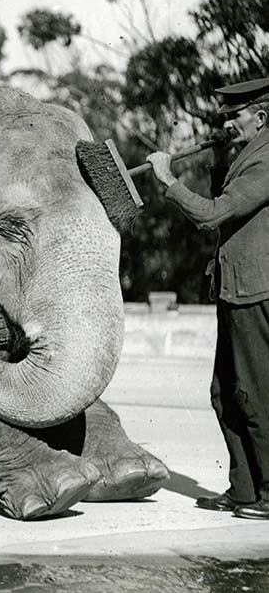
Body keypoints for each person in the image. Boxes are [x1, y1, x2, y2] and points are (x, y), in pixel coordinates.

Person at [147, 77, 269, 520]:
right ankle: (243, 489)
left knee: (255, 395)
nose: (227, 124)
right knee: (224, 393)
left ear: (260, 117)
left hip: (256, 291)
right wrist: (220, 161)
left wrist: (167, 180)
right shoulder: (247, 155)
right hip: (235, 288)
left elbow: (214, 215)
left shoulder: (267, 158)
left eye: (233, 117)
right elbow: (227, 202)